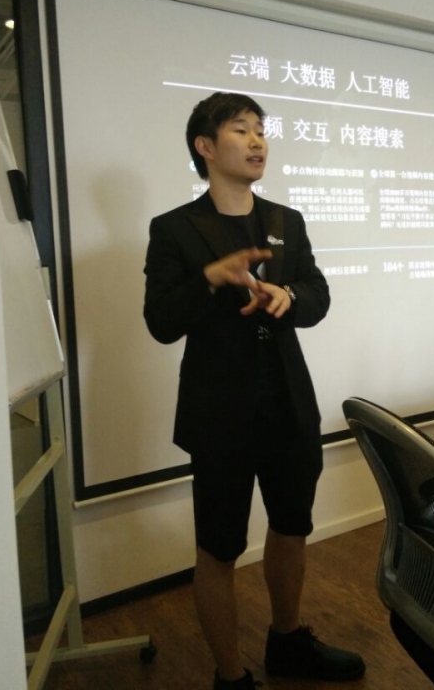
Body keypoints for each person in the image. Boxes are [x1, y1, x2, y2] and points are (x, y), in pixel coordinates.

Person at [143, 92, 366, 689]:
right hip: (219, 413)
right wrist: (210, 279)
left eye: (261, 129)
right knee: (219, 547)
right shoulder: (174, 229)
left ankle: (288, 642)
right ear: (206, 147)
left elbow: (317, 295)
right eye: (241, 129)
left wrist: (288, 297)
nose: (258, 139)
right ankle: (230, 675)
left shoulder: (286, 221)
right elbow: (160, 321)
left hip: (288, 403)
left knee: (292, 525)